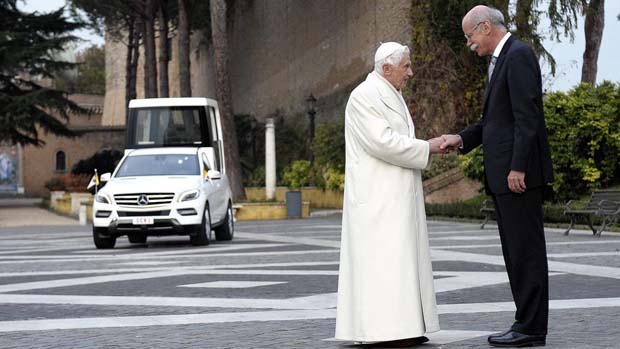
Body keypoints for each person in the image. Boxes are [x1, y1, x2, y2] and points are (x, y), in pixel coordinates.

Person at [440, 5, 553, 347]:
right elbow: (495, 123)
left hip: (516, 176)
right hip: (505, 177)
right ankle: (525, 322)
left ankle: (531, 328)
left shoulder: (517, 56)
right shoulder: (501, 61)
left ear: (486, 27)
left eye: (469, 35)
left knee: (526, 253)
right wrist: (461, 138)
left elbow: (527, 117)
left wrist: (518, 166)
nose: (468, 43)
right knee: (515, 253)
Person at [335, 42, 444, 347]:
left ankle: (404, 327)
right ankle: (382, 332)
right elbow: (382, 142)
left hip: (395, 195)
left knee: (401, 263)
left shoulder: (389, 93)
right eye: (405, 67)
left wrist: (425, 147)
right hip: (377, 199)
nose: (411, 72)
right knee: (383, 265)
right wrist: (428, 146)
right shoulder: (364, 96)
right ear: (386, 68)